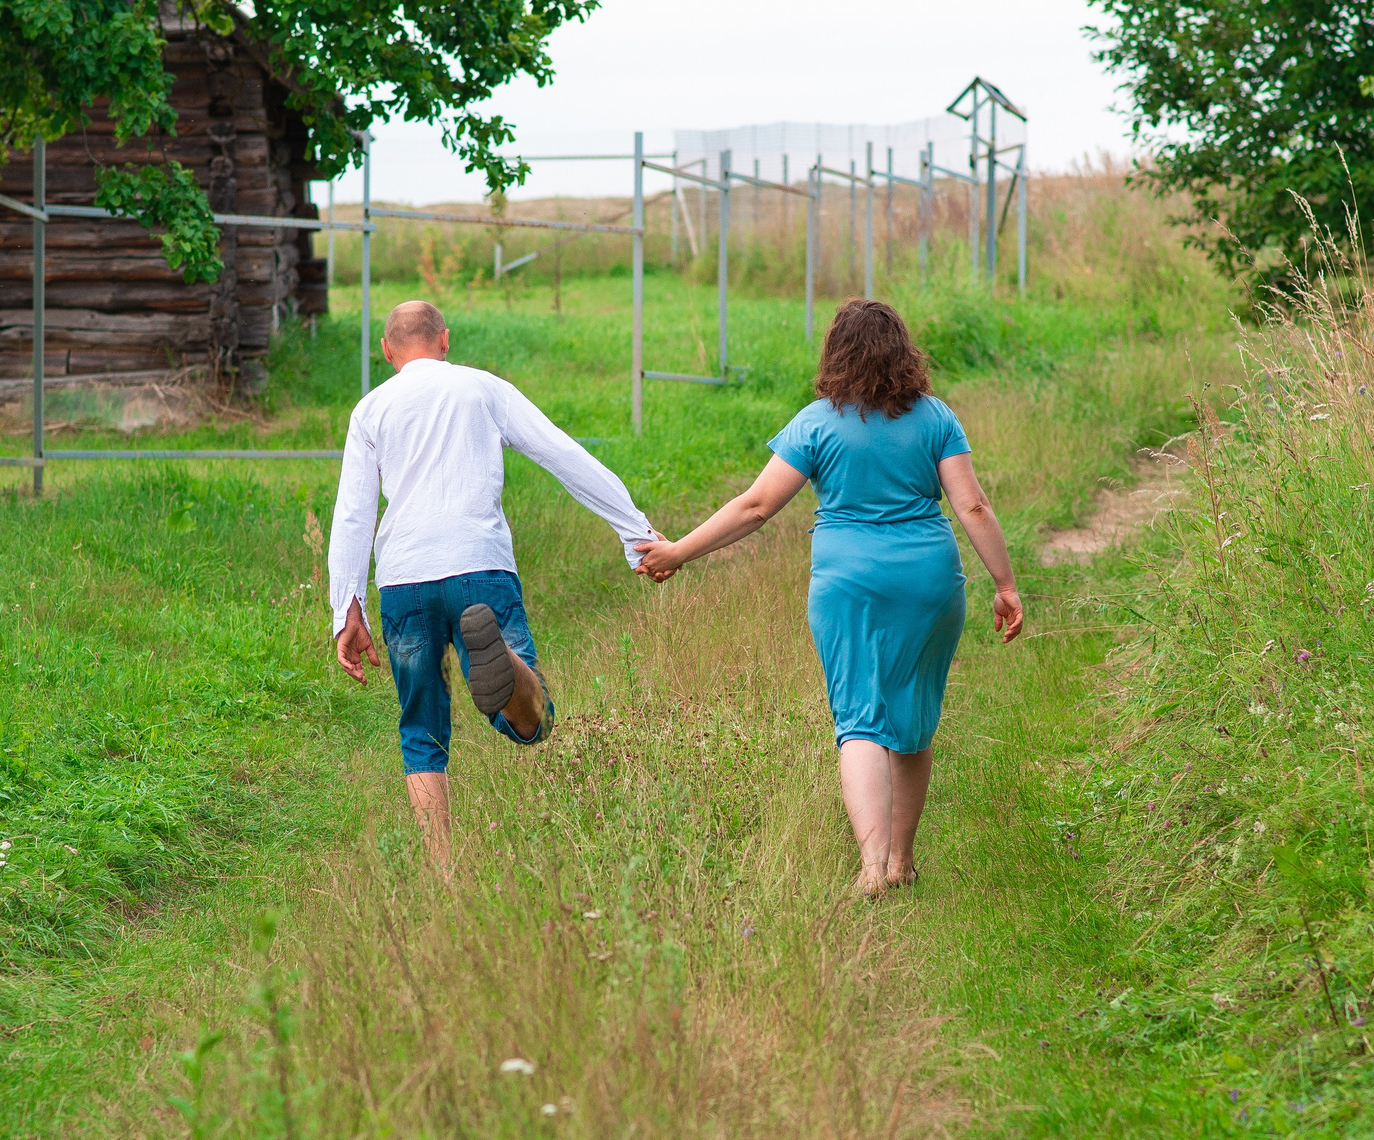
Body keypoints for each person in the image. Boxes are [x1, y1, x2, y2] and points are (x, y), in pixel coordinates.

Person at [635, 298, 1022, 897]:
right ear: (904, 352)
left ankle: (871, 868)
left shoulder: (816, 423)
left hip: (848, 586)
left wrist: (679, 551)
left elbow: (757, 506)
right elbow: (971, 505)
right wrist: (1005, 584)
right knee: (913, 721)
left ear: (835, 353)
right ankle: (900, 861)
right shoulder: (936, 417)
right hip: (928, 581)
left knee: (860, 721)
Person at [329, 299, 658, 872]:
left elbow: (354, 512)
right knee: (534, 723)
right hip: (478, 564)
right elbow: (559, 452)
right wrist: (635, 530)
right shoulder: (482, 389)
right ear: (445, 340)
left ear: (388, 353)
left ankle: (444, 874)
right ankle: (502, 657)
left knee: (421, 727)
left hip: (405, 579)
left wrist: (345, 607)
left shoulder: (370, 409)